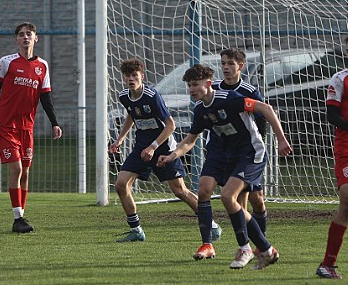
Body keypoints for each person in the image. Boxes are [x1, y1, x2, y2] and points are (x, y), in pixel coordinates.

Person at [157, 64, 292, 269]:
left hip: (250, 153)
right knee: (204, 189)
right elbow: (190, 140)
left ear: (209, 84)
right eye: (189, 86)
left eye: (195, 84)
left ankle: (246, 248)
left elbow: (265, 108)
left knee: (231, 197)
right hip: (224, 155)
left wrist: (281, 140)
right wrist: (172, 155)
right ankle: (265, 250)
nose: (191, 89)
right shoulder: (201, 110)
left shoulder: (229, 99)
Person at [109, 57, 220, 243]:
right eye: (127, 75)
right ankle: (136, 230)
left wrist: (153, 147)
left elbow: (170, 125)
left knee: (179, 191)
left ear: (142, 76)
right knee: (121, 184)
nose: (131, 79)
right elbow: (131, 113)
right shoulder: (123, 96)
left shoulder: (152, 96)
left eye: (134, 75)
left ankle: (211, 224)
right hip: (141, 147)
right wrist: (120, 139)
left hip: (163, 147)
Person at [0, 22, 62, 233]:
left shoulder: (42, 66)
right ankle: (18, 217)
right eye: (21, 34)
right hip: (6, 124)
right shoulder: (6, 62)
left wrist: (54, 123)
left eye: (29, 34)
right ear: (16, 40)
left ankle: (21, 217)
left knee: (26, 173)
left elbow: (46, 98)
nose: (25, 37)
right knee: (17, 168)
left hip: (26, 127)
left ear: (36, 38)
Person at [213, 48, 268, 237]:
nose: (226, 67)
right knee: (238, 198)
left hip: (249, 152)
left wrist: (257, 144)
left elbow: (261, 119)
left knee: (257, 199)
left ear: (240, 67)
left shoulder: (249, 91)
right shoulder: (215, 90)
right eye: (223, 63)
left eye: (230, 64)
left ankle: (261, 237)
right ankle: (250, 245)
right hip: (227, 152)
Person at [316, 37, 348, 279]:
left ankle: (327, 264)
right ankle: (327, 265)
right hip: (346, 147)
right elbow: (332, 115)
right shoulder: (340, 78)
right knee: (347, 198)